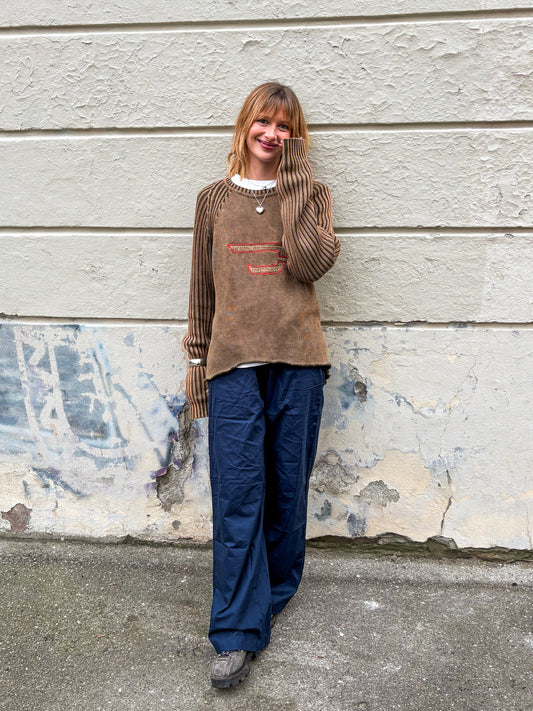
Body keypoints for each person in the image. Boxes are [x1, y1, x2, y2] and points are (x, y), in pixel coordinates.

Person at [183, 81, 340, 688]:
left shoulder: (313, 194)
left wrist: (293, 185)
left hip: (298, 362)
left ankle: (270, 595)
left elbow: (310, 262)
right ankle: (234, 631)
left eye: (284, 126)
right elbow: (202, 290)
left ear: (296, 138)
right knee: (238, 493)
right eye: (263, 122)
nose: (272, 134)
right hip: (232, 367)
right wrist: (197, 364)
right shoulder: (212, 200)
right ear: (245, 124)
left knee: (285, 491)